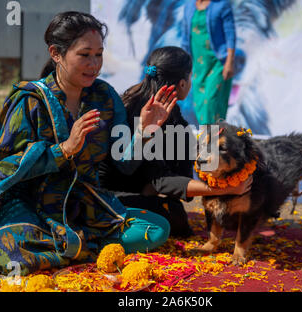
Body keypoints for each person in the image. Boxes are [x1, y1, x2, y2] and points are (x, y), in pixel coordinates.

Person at [0, 12, 176, 275]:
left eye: (99, 54)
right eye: (84, 54)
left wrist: (144, 131)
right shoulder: (30, 100)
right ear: (56, 53)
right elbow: (6, 165)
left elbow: (125, 163)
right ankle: (68, 244)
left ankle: (70, 245)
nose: (94, 64)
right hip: (28, 205)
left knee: (156, 229)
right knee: (14, 249)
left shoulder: (105, 97)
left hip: (82, 204)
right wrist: (64, 150)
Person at [99, 46, 252, 238]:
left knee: (174, 212)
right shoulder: (148, 113)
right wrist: (226, 187)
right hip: (109, 198)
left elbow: (180, 162)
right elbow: (161, 180)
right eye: (190, 77)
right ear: (182, 83)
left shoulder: (148, 102)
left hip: (132, 190)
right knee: (171, 220)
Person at [182, 0, 236, 125]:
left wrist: (229, 62)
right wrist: (183, 62)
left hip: (218, 63)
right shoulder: (189, 5)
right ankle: (214, 141)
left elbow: (230, 34)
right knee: (200, 104)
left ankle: (208, 142)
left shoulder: (222, 5)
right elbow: (186, 36)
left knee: (210, 103)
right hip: (198, 65)